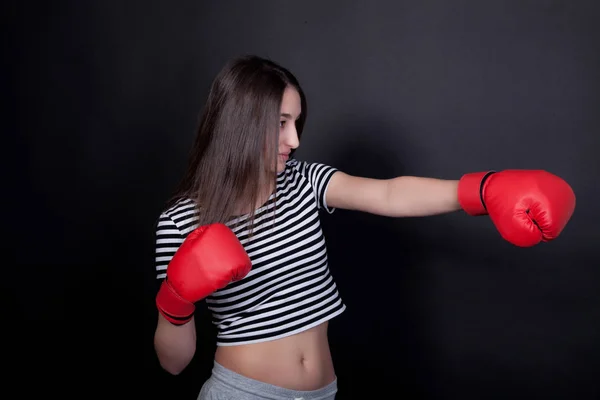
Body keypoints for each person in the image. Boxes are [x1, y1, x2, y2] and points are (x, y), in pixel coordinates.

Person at [152, 55, 576, 399]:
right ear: (240, 123)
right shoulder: (181, 221)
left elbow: (388, 195)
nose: (295, 140)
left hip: (324, 392)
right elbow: (173, 363)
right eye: (281, 123)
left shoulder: (304, 181)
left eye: (296, 123)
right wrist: (175, 299)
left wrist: (481, 191)